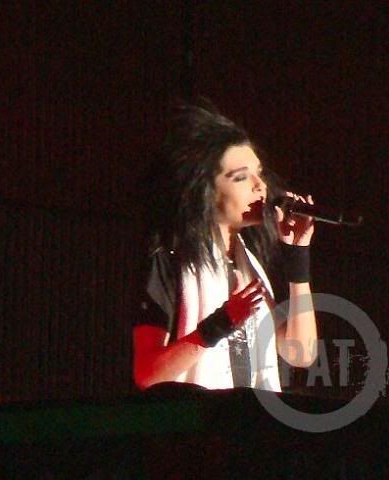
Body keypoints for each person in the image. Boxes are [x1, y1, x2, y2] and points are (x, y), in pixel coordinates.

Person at [133, 102, 317, 391]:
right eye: (241, 177)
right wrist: (218, 325)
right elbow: (147, 373)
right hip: (196, 416)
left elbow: (301, 353)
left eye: (259, 173)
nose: (260, 185)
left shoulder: (253, 265)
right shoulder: (170, 261)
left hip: (252, 415)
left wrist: (298, 257)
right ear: (207, 191)